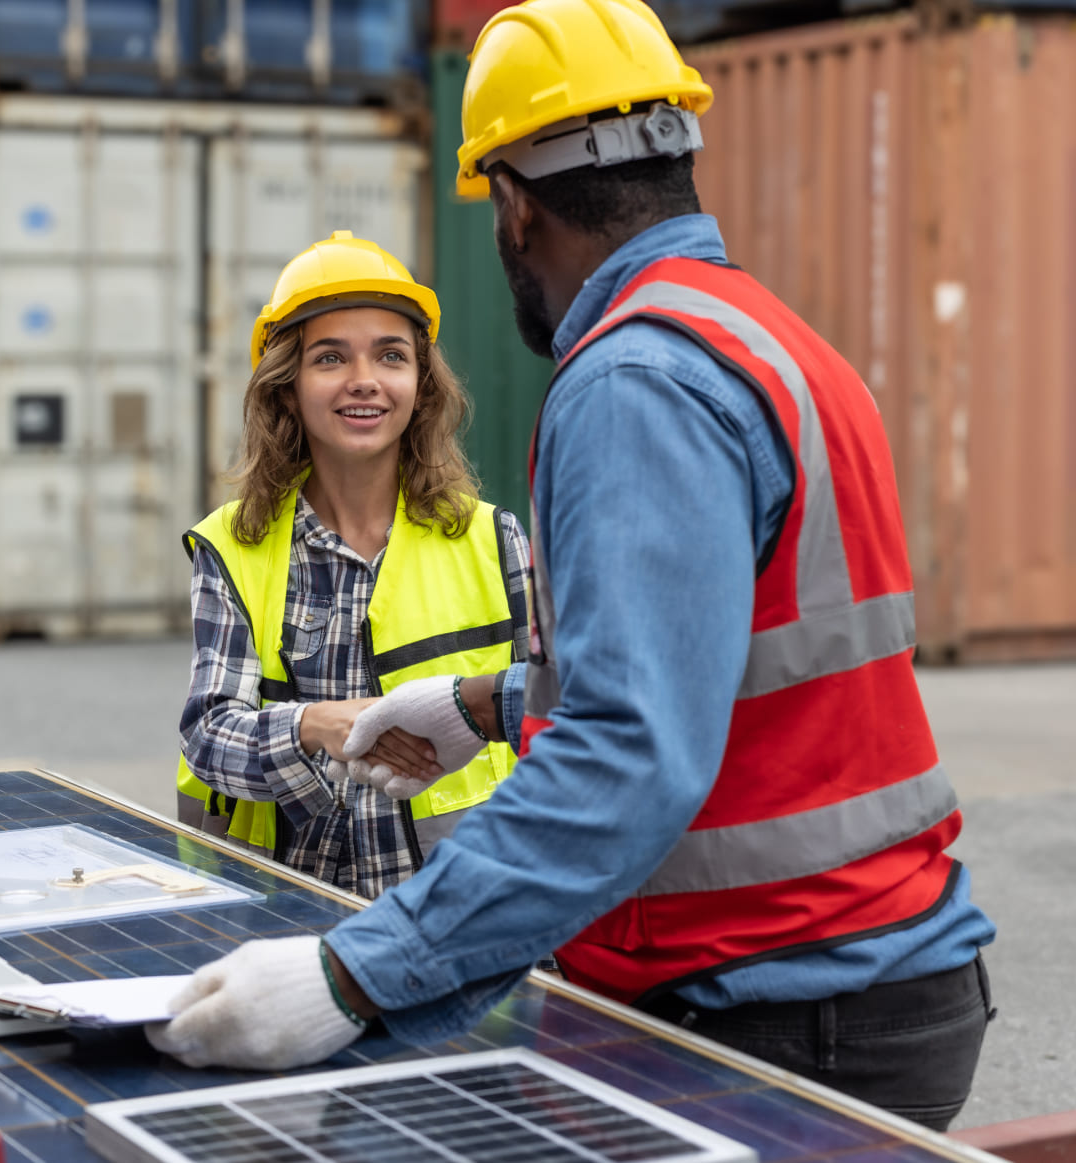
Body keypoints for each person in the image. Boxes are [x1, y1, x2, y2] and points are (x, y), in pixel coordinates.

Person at [148, 0, 997, 1131]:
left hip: (768, 1005)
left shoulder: (630, 380)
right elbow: (708, 655)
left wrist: (351, 973)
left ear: (512, 202)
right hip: (874, 977)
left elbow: (628, 752)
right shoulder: (772, 338)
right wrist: (483, 704)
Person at [175, 230, 528, 899]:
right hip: (280, 912)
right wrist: (317, 725)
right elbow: (208, 733)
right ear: (288, 387)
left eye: (391, 356)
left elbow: (547, 716)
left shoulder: (495, 540)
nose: (364, 379)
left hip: (465, 913)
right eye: (331, 357)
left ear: (421, 385)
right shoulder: (233, 546)